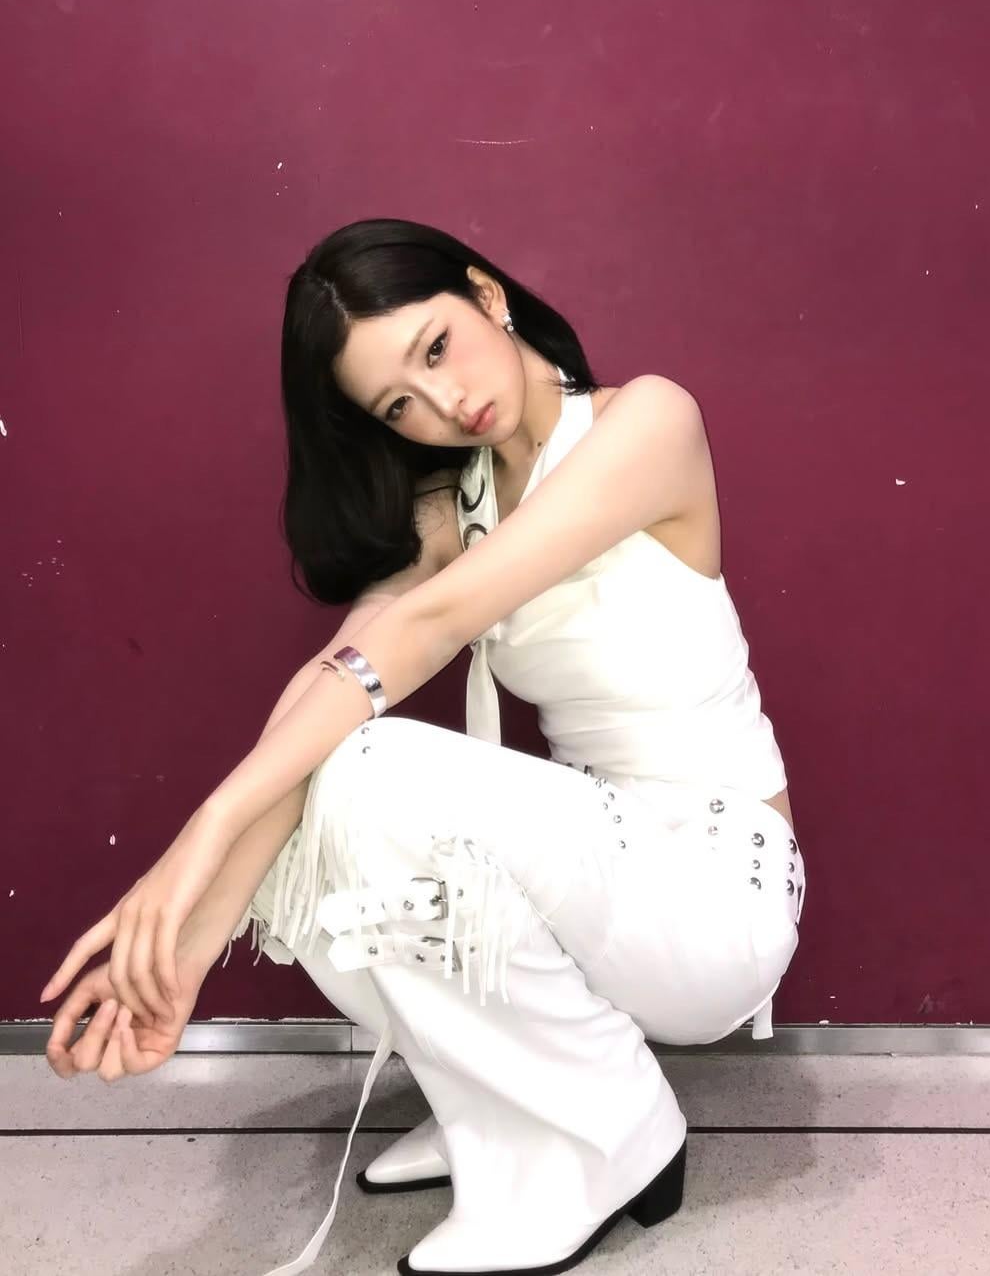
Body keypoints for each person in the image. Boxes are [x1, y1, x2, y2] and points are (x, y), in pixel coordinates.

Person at [41, 218, 807, 1276]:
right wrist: (186, 942)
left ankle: (608, 1134)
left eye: (437, 348)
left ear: (487, 295)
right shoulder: (455, 502)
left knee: (370, 767)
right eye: (399, 404)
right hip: (599, 887)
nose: (445, 404)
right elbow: (332, 680)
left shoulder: (648, 422)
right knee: (323, 767)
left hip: (713, 892)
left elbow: (433, 624)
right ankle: (502, 1113)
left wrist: (201, 832)